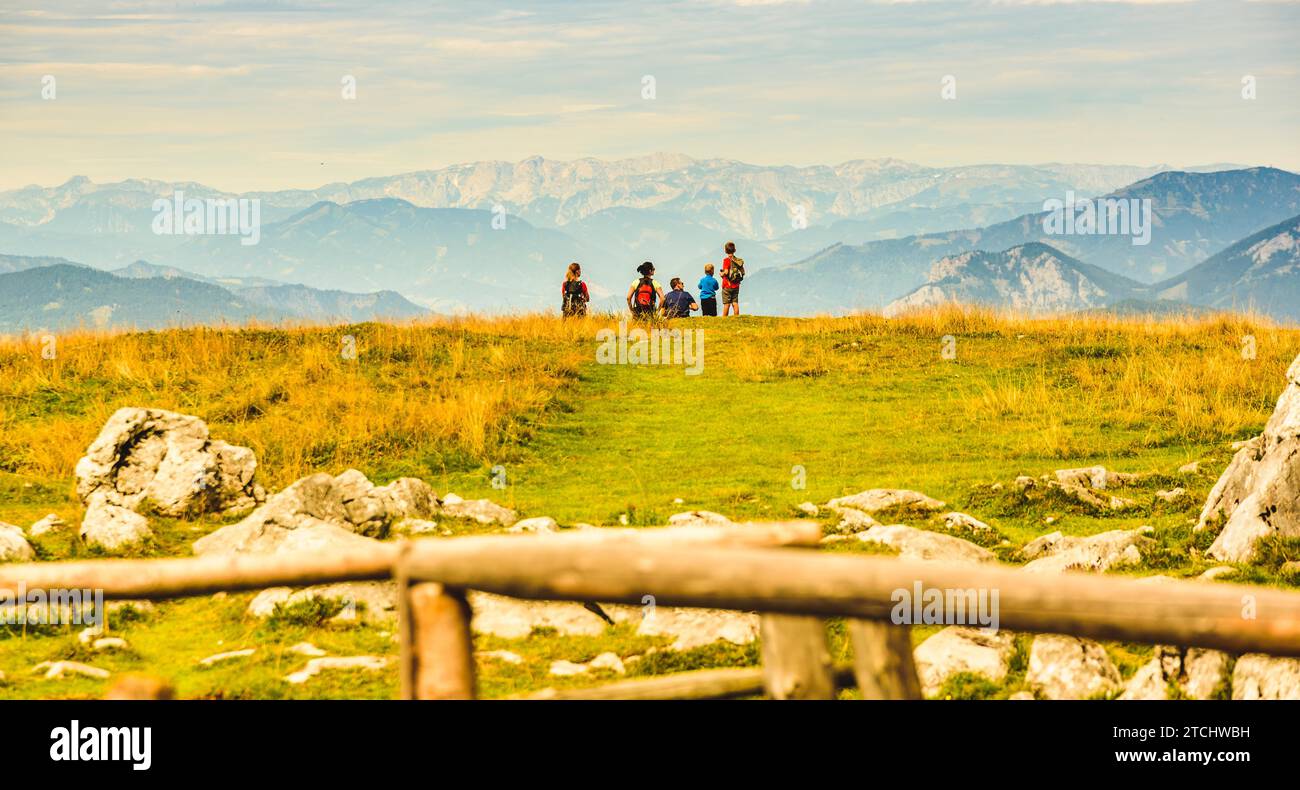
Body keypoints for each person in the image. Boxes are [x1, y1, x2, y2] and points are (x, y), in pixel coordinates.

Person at [720, 241, 745, 316]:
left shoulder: (726, 260)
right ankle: (736, 317)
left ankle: (724, 319)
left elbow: (726, 272)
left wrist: (721, 274)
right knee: (735, 303)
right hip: (736, 285)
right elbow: (743, 272)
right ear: (735, 250)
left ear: (725, 251)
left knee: (726, 304)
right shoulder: (738, 261)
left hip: (727, 285)